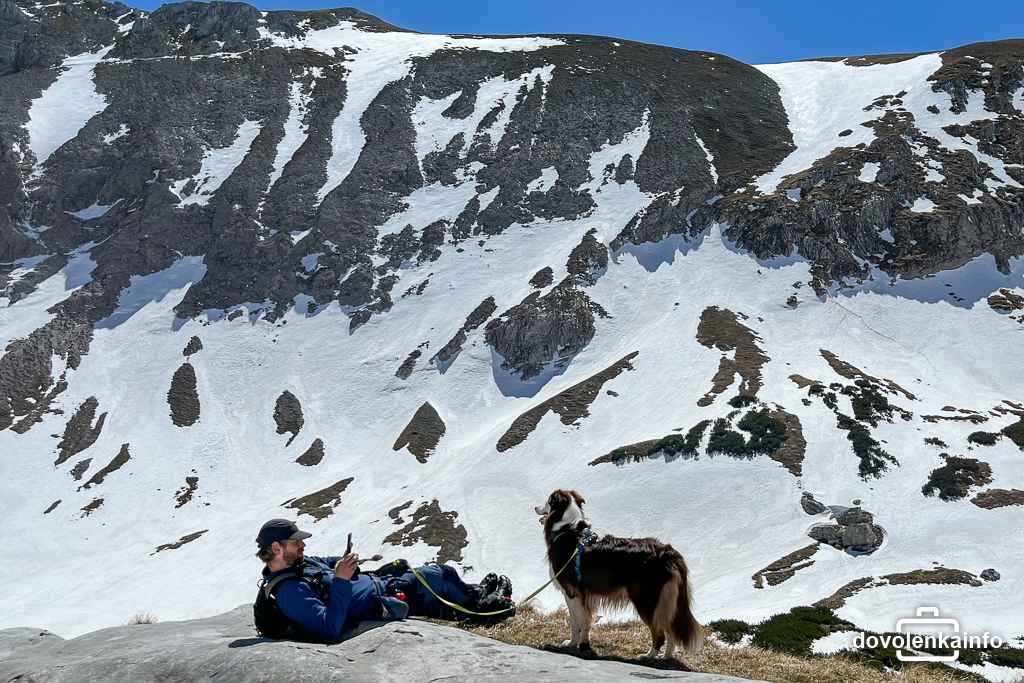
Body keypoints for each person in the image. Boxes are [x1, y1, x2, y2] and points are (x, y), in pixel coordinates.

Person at [254, 519, 514, 642]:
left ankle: (475, 595)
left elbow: (328, 562)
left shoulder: (301, 563)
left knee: (439, 574)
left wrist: (342, 563)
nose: (302, 544)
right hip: (386, 596)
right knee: (438, 575)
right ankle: (482, 610)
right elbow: (328, 627)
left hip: (383, 581)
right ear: (276, 548)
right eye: (296, 541)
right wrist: (342, 580)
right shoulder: (289, 591)